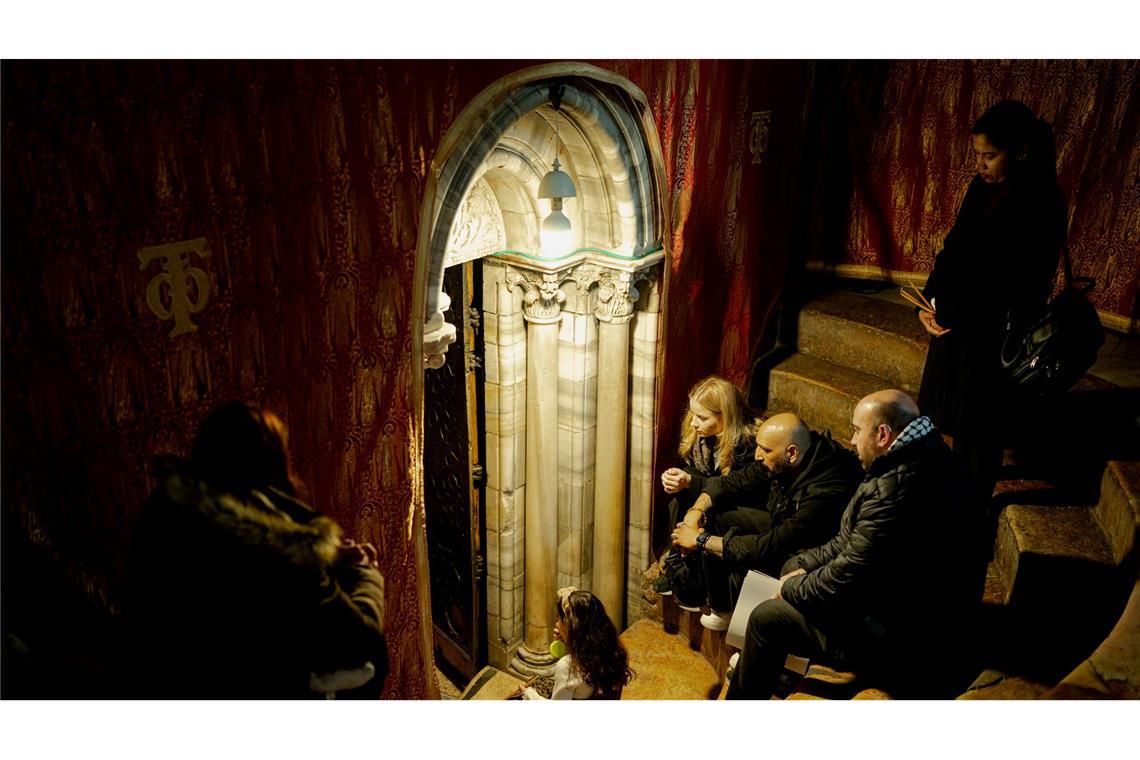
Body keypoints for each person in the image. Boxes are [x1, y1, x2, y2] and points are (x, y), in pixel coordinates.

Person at [727, 390, 982, 700]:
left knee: (767, 617)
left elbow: (849, 576)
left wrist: (792, 588)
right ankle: (776, 669)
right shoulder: (911, 459)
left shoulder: (900, 487)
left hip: (898, 632)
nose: (851, 440)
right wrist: (805, 566)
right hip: (885, 600)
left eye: (857, 430)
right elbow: (848, 541)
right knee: (794, 564)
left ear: (883, 435)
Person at [126, 401, 387, 699]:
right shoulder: (278, 544)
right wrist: (365, 573)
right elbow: (358, 642)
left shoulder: (165, 513)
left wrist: (326, 561)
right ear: (276, 465)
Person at [917, 99, 1067, 531]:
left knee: (979, 430)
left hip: (995, 332)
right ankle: (936, 495)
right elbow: (954, 245)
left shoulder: (1042, 201)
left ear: (1019, 153)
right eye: (978, 155)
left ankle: (967, 519)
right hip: (958, 323)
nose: (980, 165)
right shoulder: (981, 187)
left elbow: (1013, 280)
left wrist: (951, 309)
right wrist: (929, 300)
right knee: (941, 412)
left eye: (989, 155)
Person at [668, 413, 861, 631]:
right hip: (782, 524)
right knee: (715, 513)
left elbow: (776, 542)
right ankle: (722, 606)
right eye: (759, 446)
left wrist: (701, 540)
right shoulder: (783, 457)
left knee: (758, 553)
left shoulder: (826, 489)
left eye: (766, 450)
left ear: (792, 453)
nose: (757, 455)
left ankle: (748, 627)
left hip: (810, 553)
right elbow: (730, 482)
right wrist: (695, 512)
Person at [653, 376, 759, 598]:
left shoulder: (749, 445)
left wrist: (691, 482)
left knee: (709, 512)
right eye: (693, 414)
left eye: (702, 417)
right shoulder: (702, 436)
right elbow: (700, 471)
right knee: (679, 498)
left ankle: (697, 577)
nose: (693, 423)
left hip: (744, 505)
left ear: (725, 416)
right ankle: (677, 563)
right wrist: (679, 478)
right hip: (715, 492)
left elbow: (733, 489)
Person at [518, 587, 633, 700]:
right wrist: (568, 641)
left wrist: (529, 694)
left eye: (560, 619)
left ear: (571, 628)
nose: (557, 624)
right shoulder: (615, 650)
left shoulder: (567, 667)